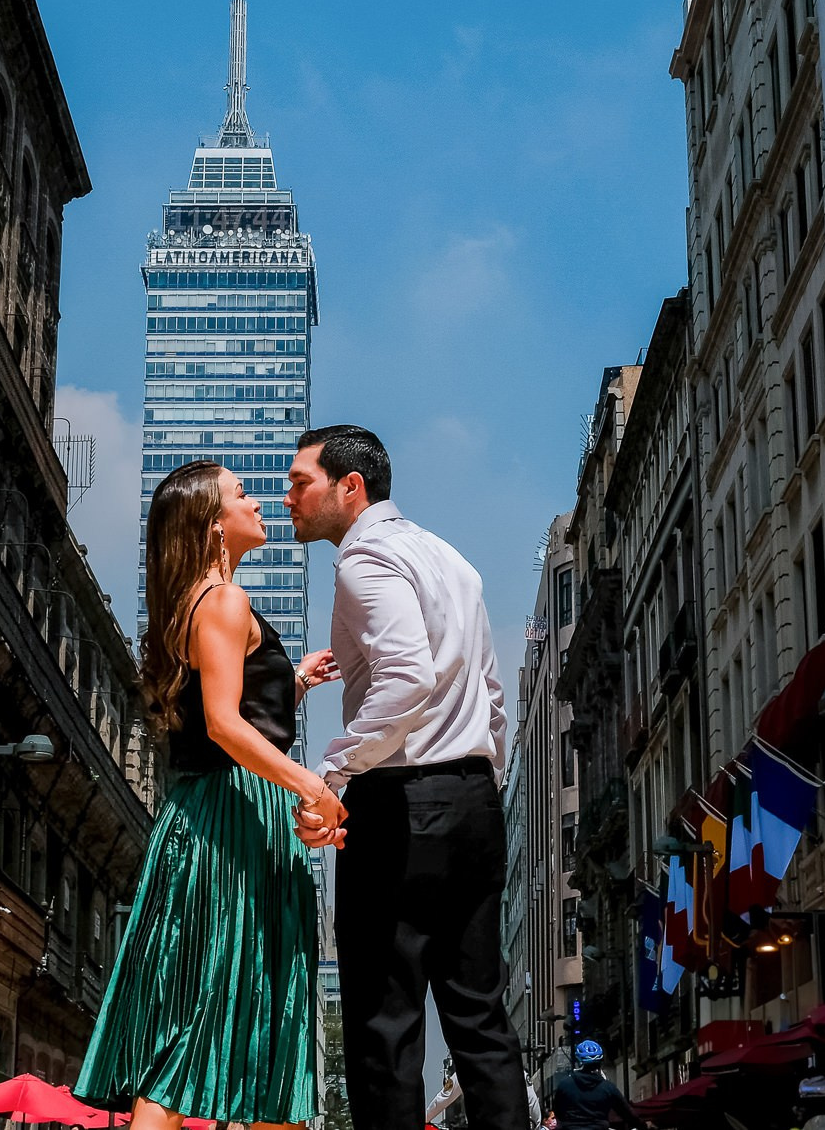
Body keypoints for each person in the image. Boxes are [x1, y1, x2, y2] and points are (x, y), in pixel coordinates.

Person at [285, 425, 528, 1130]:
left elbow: (406, 677)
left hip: (399, 806)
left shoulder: (366, 562)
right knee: (481, 1017)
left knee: (384, 1024)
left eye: (302, 482)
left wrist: (334, 769)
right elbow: (492, 694)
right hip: (475, 800)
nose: (290, 497)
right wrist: (480, 777)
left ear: (349, 486)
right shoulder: (451, 560)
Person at [73, 460, 329, 1129]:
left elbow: (226, 709)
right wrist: (310, 782)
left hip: (221, 813)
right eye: (242, 493)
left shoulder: (200, 601)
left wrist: (291, 680)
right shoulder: (223, 600)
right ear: (215, 525)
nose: (259, 500)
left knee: (217, 1015)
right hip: (234, 820)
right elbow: (222, 722)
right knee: (212, 1020)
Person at [547, 1043, 639, 1130]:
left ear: (578, 1061)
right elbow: (626, 1112)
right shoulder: (608, 1087)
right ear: (599, 1063)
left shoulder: (565, 1085)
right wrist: (642, 1125)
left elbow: (558, 1111)